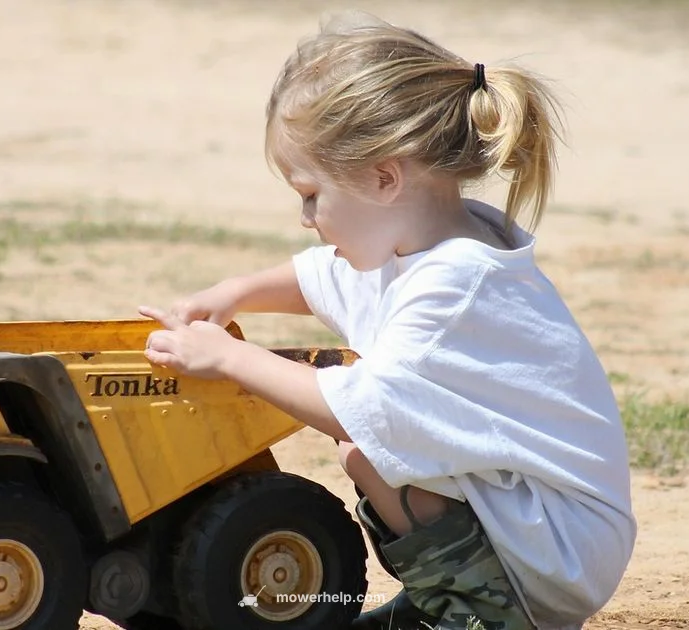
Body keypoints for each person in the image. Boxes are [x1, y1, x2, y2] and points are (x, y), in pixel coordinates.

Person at [138, 11, 636, 630]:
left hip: (555, 552)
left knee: (366, 448)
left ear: (383, 177)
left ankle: (478, 613)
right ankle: (450, 597)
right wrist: (232, 294)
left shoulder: (452, 287)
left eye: (310, 195)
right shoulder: (432, 238)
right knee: (371, 450)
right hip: (547, 529)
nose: (305, 217)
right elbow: (324, 278)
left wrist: (230, 358)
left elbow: (357, 408)